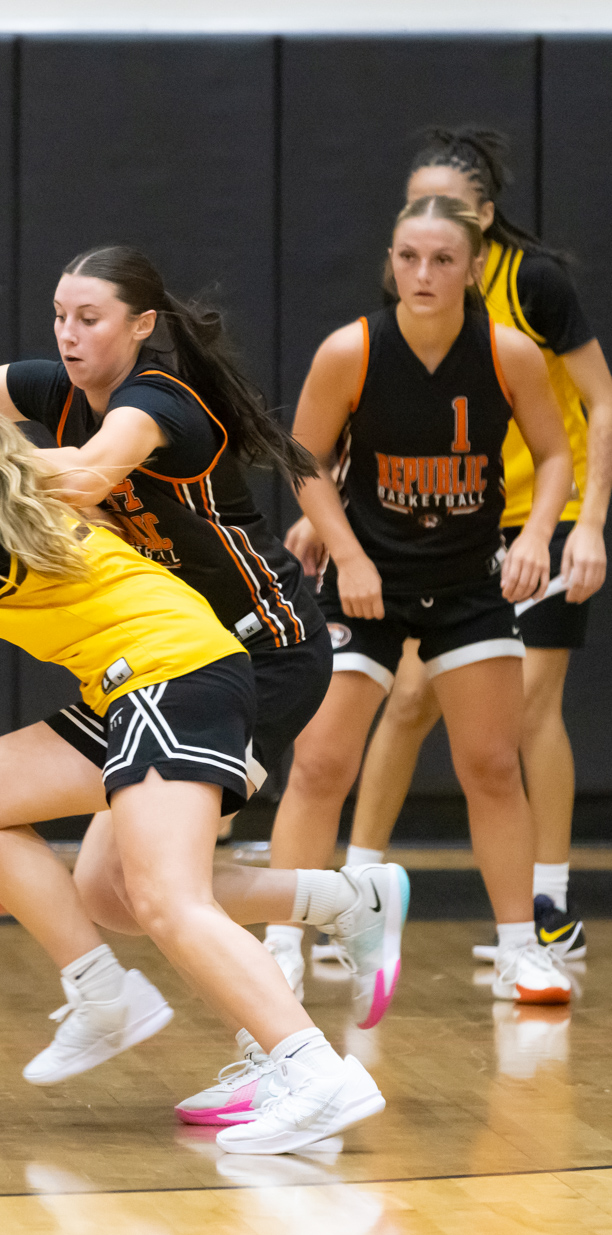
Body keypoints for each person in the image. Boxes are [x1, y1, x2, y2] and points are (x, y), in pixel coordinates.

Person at [0, 238, 405, 1125]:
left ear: (142, 326)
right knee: (115, 893)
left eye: (89, 318)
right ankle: (341, 904)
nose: (68, 334)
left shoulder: (157, 400)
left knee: (162, 890)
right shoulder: (52, 392)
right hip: (160, 660)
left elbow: (95, 469)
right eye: (60, 316)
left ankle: (289, 1056)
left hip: (261, 652)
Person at [315, 129, 611, 967]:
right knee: (406, 702)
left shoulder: (533, 290)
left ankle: (545, 906)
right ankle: (358, 892)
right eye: (411, 215)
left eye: (444, 219)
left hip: (530, 526)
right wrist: (330, 510)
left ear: (480, 226)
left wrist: (585, 524)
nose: (426, 242)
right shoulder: (396, 315)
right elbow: (362, 427)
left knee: (523, 715)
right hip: (432, 529)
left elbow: (596, 405)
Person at [270, 194, 575, 1007]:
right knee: (320, 763)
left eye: (443, 259)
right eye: (409, 257)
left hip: (468, 582)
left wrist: (540, 535)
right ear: (391, 264)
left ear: (474, 268)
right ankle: (279, 950)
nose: (423, 273)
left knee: (490, 765)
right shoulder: (352, 351)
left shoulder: (509, 354)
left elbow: (553, 456)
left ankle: (521, 952)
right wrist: (345, 553)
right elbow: (302, 461)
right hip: (367, 582)